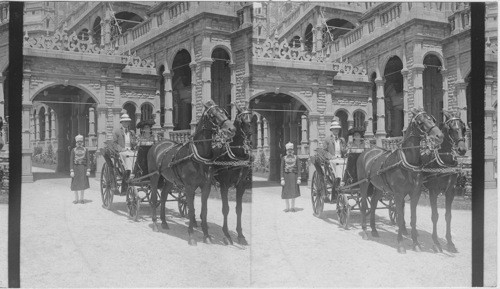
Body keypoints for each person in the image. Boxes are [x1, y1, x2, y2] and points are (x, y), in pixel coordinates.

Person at [113, 112, 137, 182]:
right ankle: (129, 172)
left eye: (128, 122)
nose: (127, 123)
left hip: (131, 150)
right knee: (128, 156)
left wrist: (135, 142)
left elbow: (134, 143)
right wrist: (121, 149)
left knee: (137, 155)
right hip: (123, 151)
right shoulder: (117, 131)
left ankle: (135, 172)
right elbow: (114, 143)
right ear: (122, 122)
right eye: (125, 122)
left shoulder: (132, 132)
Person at [323, 118, 346, 184]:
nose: (336, 130)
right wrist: (331, 156)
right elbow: (324, 151)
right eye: (335, 129)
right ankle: (339, 180)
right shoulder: (327, 139)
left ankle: (345, 179)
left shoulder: (342, 139)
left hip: (341, 158)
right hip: (332, 159)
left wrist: (346, 150)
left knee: (347, 163)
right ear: (332, 130)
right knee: (337, 164)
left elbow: (344, 151)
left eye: (337, 129)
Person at [280, 142, 301, 212]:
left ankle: (292, 207)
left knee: (293, 192)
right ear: (286, 151)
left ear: (293, 150)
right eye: (288, 150)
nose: (289, 151)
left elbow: (299, 168)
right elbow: (281, 168)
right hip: (286, 176)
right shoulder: (284, 158)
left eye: (291, 150)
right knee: (286, 191)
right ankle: (287, 207)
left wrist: (299, 178)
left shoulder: (296, 157)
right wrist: (282, 179)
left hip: (294, 176)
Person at [70, 134, 90, 204]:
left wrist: (88, 170)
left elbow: (88, 160)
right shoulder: (73, 150)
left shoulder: (85, 150)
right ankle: (76, 199)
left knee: (82, 184)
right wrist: (71, 170)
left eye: (80, 142)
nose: (79, 143)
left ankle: (81, 199)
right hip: (75, 168)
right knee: (75, 184)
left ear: (82, 142)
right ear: (76, 142)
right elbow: (71, 160)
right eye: (78, 142)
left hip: (83, 168)